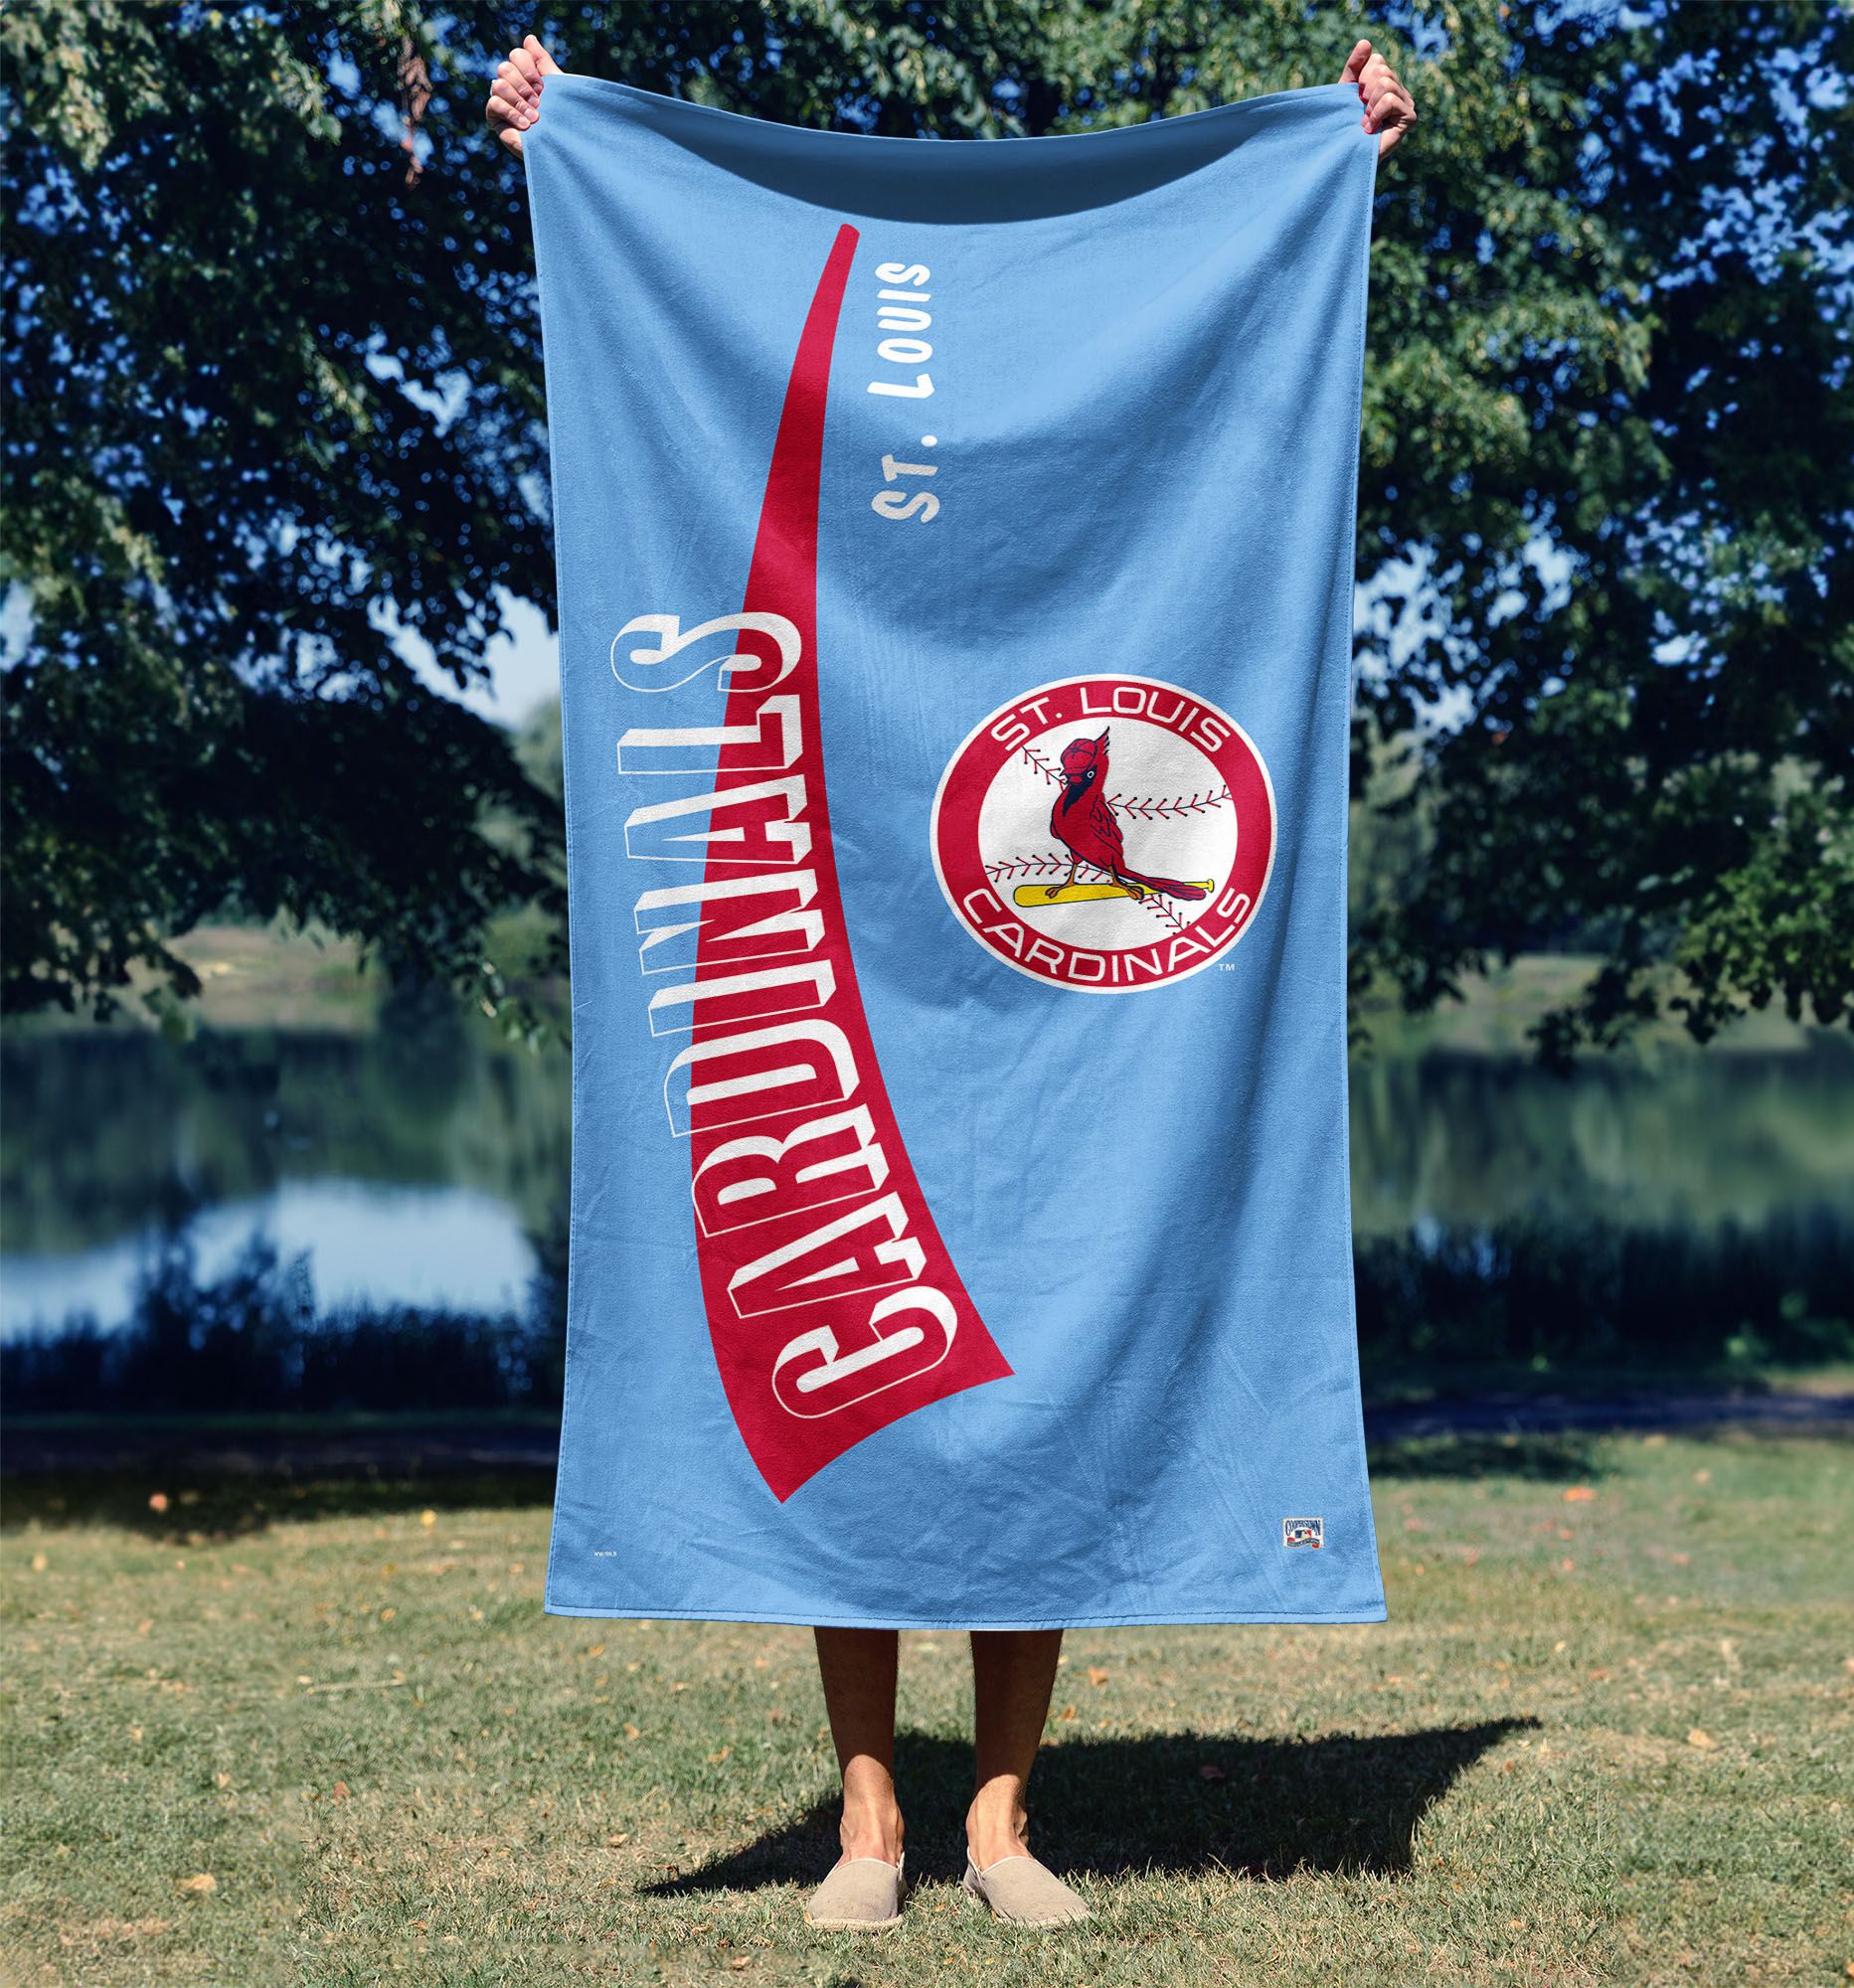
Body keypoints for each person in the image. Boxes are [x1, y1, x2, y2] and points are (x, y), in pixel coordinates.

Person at [485, 27, 1417, 1933]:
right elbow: (648, 248)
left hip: (1060, 988)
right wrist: (560, 130)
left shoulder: (1127, 299)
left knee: (1046, 1368)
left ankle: (999, 1822)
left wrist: (1337, 146)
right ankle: (868, 1825)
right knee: (843, 1335)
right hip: (841, 893)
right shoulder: (756, 268)